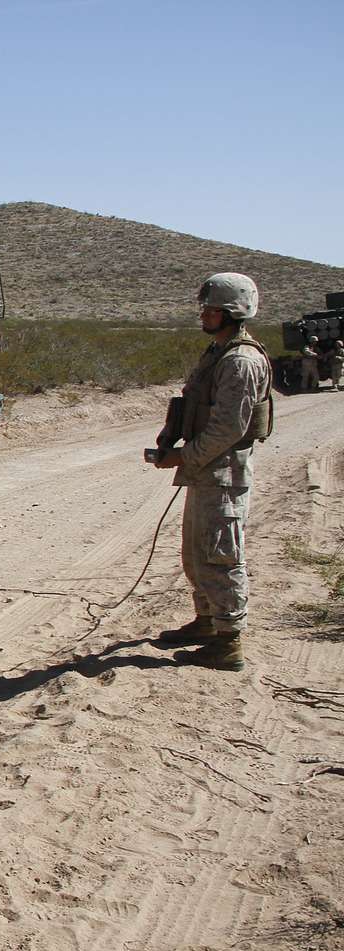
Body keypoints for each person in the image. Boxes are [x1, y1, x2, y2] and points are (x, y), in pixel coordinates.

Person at [151, 273, 272, 671]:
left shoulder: (241, 360)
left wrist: (185, 457)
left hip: (222, 474)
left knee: (221, 556)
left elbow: (229, 428)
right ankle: (207, 622)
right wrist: (173, 439)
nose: (204, 313)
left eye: (212, 308)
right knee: (196, 554)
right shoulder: (219, 351)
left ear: (233, 313)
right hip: (207, 473)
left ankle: (229, 640)